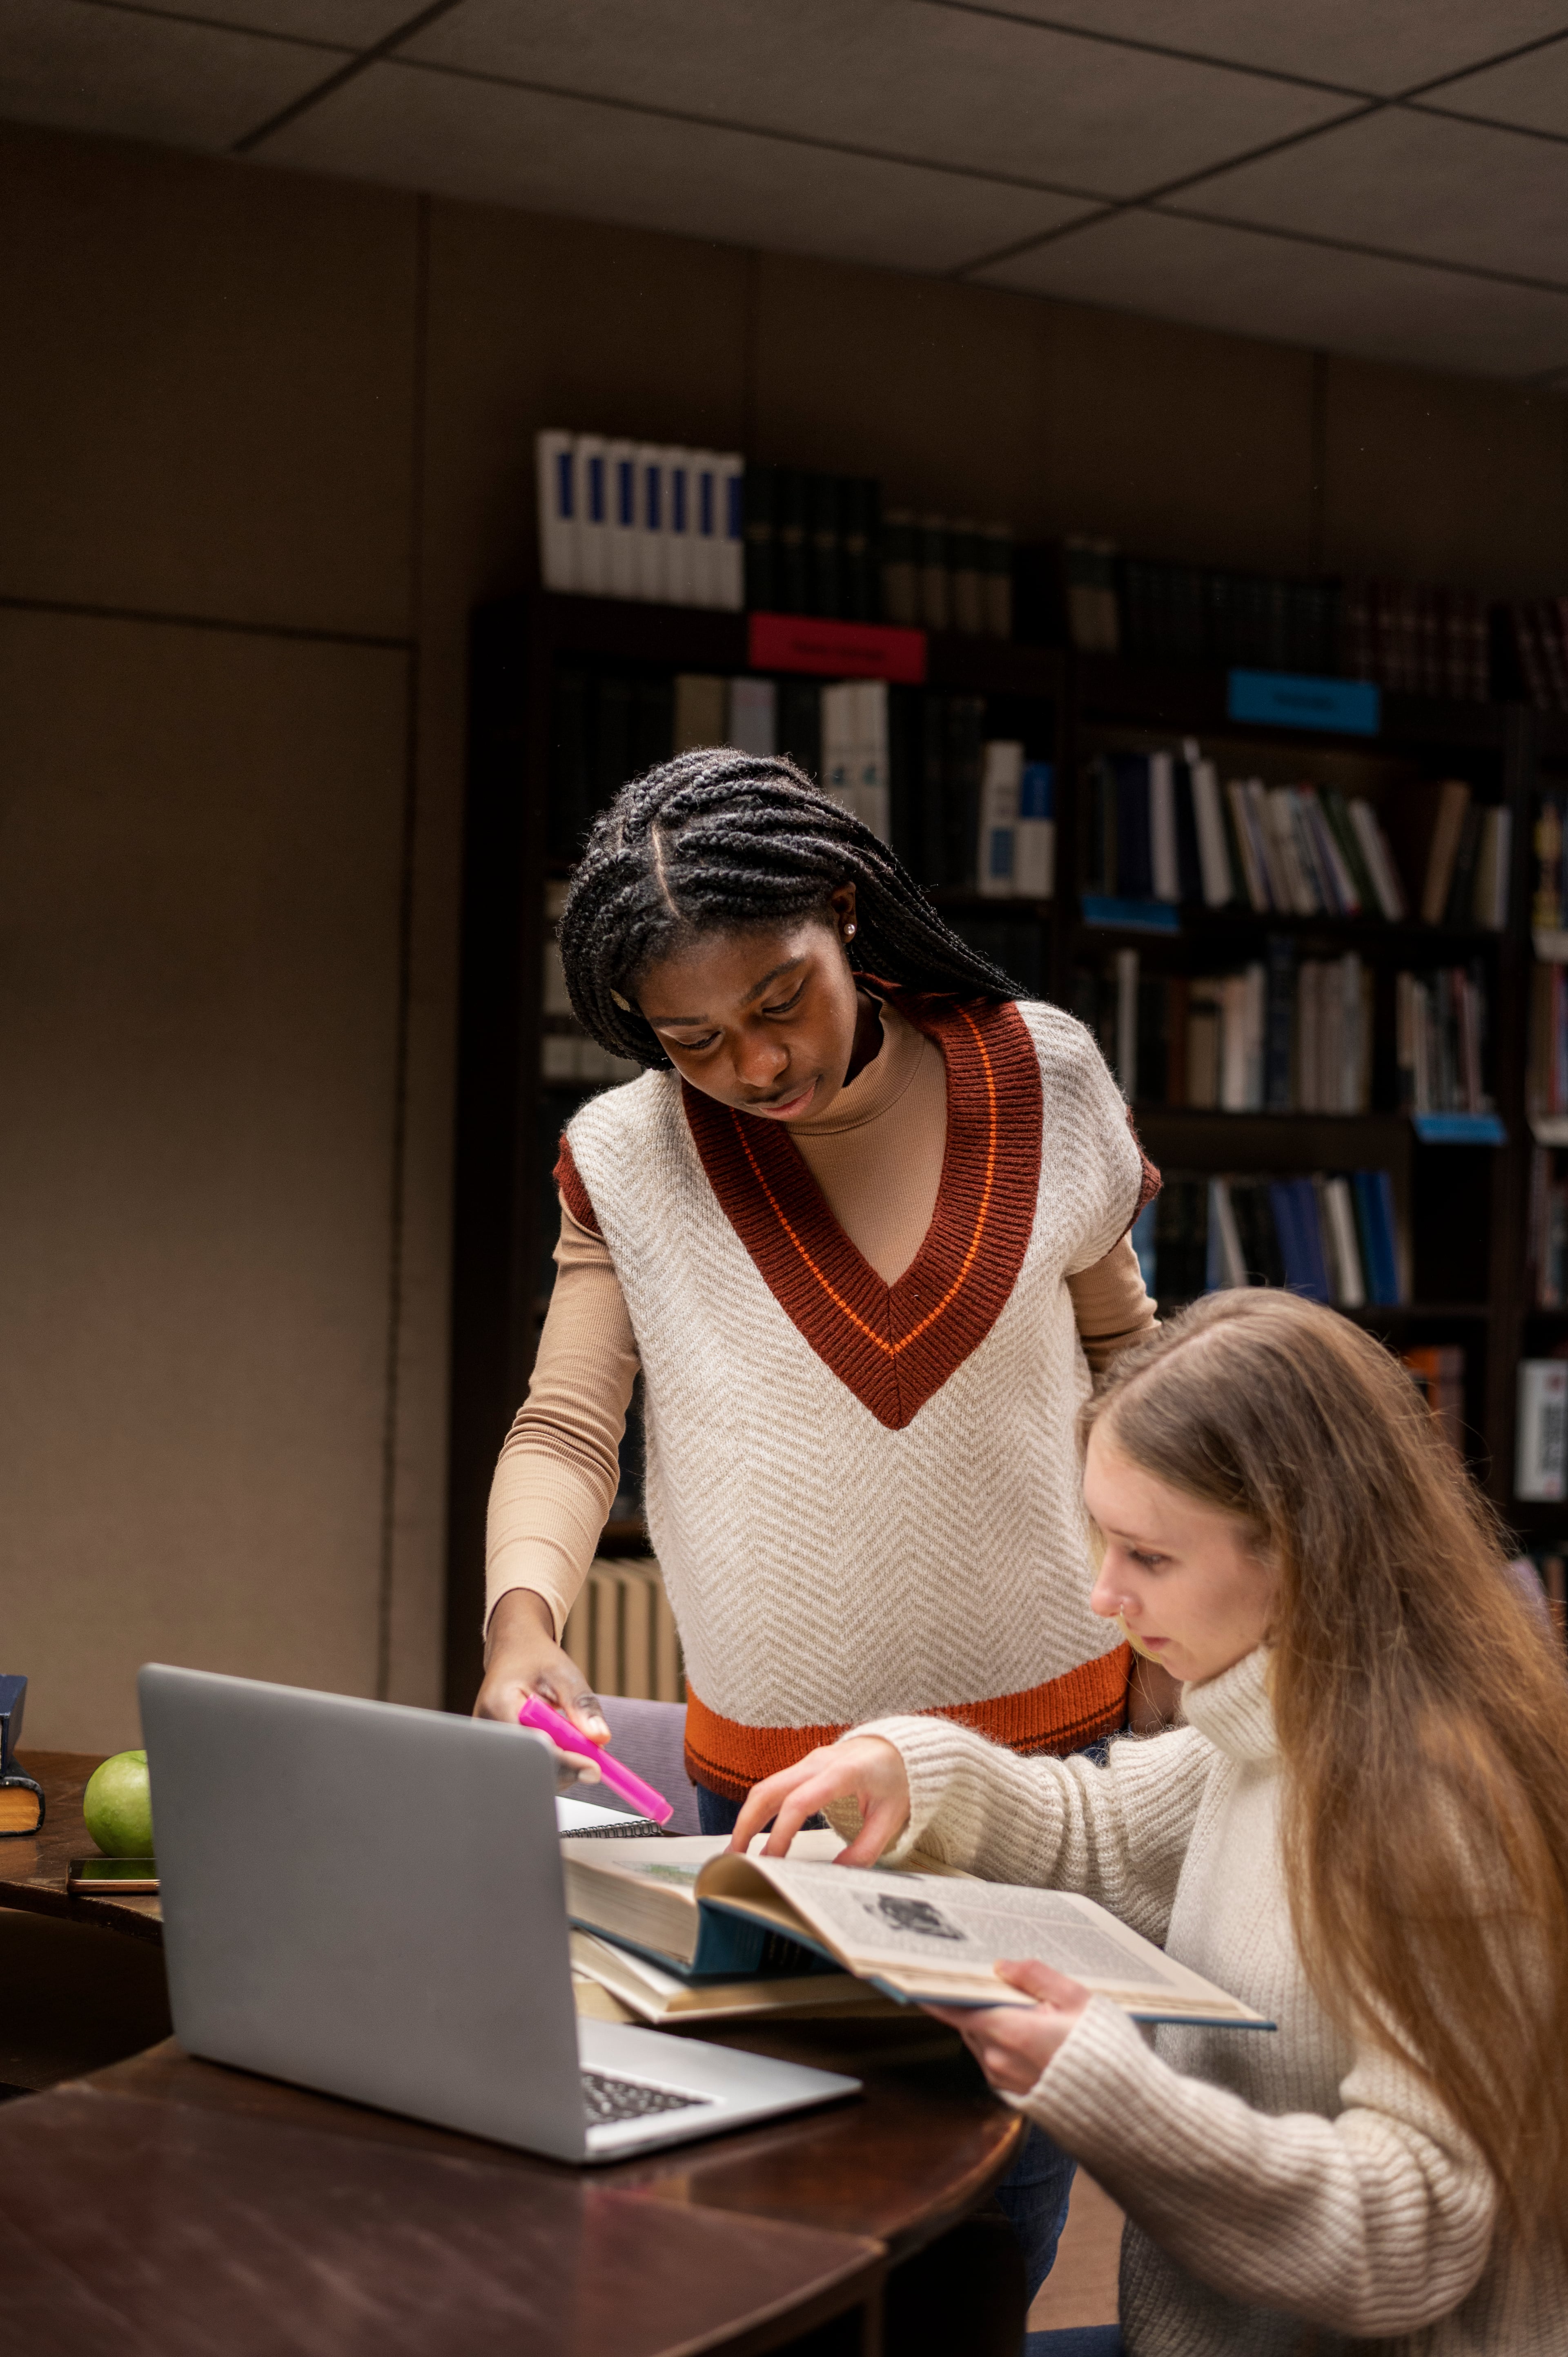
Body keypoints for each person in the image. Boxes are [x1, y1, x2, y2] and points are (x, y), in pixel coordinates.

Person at [474, 748, 1172, 2290]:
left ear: (844, 911)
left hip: (1039, 1792)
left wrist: (1180, 1634)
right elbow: (568, 1422)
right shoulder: (629, 1157)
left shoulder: (1044, 1074)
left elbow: (1134, 1364)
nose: (757, 1064)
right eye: (696, 1038)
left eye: (780, 999)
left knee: (987, 2236)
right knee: (756, 2246)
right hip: (765, 1817)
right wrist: (524, 1619)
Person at [732, 1289, 1568, 2353]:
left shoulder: (1436, 1811)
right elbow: (1108, 1832)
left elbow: (1410, 2236)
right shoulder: (1288, 1715)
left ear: (1303, 1549)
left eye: (1149, 1556)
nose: (1103, 1594)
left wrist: (1115, 2093)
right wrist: (913, 1768)